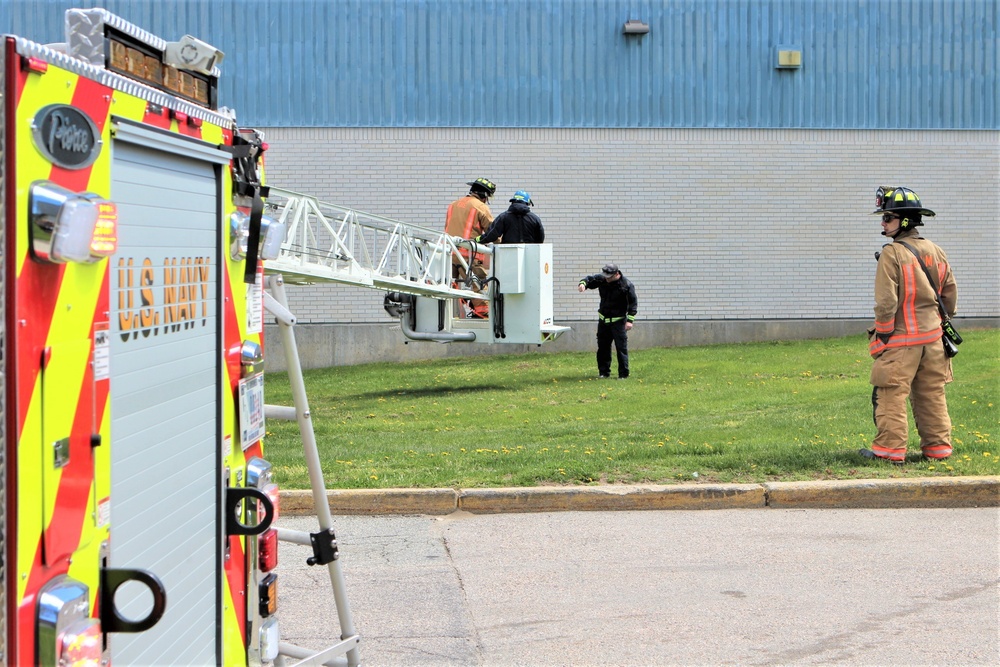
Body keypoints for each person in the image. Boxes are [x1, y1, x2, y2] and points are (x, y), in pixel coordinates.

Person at [861, 186, 957, 464]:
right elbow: (950, 296)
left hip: (902, 341)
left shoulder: (892, 254)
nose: (882, 222)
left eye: (887, 217)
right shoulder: (936, 251)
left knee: (890, 394)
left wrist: (884, 333)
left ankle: (889, 451)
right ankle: (938, 450)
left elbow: (886, 302)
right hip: (934, 340)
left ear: (904, 220)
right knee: (932, 394)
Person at [445, 177, 496, 317]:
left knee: (450, 286)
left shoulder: (453, 205)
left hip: (450, 253)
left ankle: (448, 315)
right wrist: (505, 244)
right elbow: (493, 231)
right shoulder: (481, 207)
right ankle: (483, 315)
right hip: (468, 255)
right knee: (479, 285)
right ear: (484, 195)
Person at [577, 263, 638, 379]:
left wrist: (630, 320)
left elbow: (633, 303)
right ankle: (604, 372)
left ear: (617, 274)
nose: (607, 279)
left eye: (609, 277)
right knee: (603, 347)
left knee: (621, 348)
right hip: (603, 320)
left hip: (618, 321)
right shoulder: (602, 279)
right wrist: (583, 284)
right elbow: (590, 280)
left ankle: (623, 374)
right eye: (605, 276)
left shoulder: (626, 285)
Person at [475, 190, 545, 244]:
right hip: (531, 255)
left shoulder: (503, 217)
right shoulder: (535, 219)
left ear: (513, 202)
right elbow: (540, 238)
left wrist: (476, 240)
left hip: (508, 255)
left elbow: (491, 235)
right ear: (527, 203)